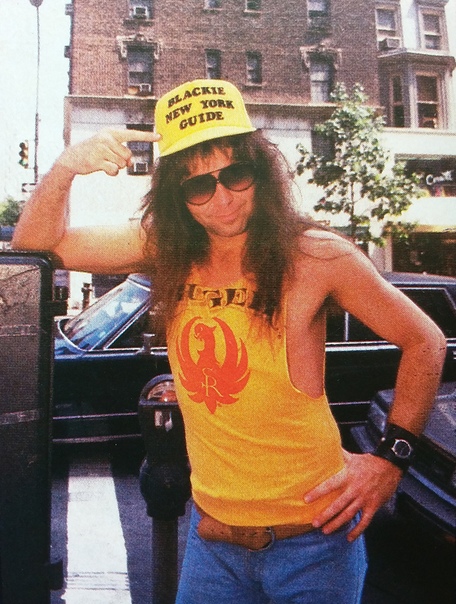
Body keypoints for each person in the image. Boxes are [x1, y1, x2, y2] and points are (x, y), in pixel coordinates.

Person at [13, 79, 446, 603]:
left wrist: (390, 460)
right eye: (198, 186)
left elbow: (425, 340)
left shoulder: (317, 255)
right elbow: (35, 246)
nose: (222, 200)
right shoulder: (167, 247)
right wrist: (66, 168)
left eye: (235, 175)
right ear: (176, 196)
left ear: (259, 171)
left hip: (315, 544)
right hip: (213, 543)